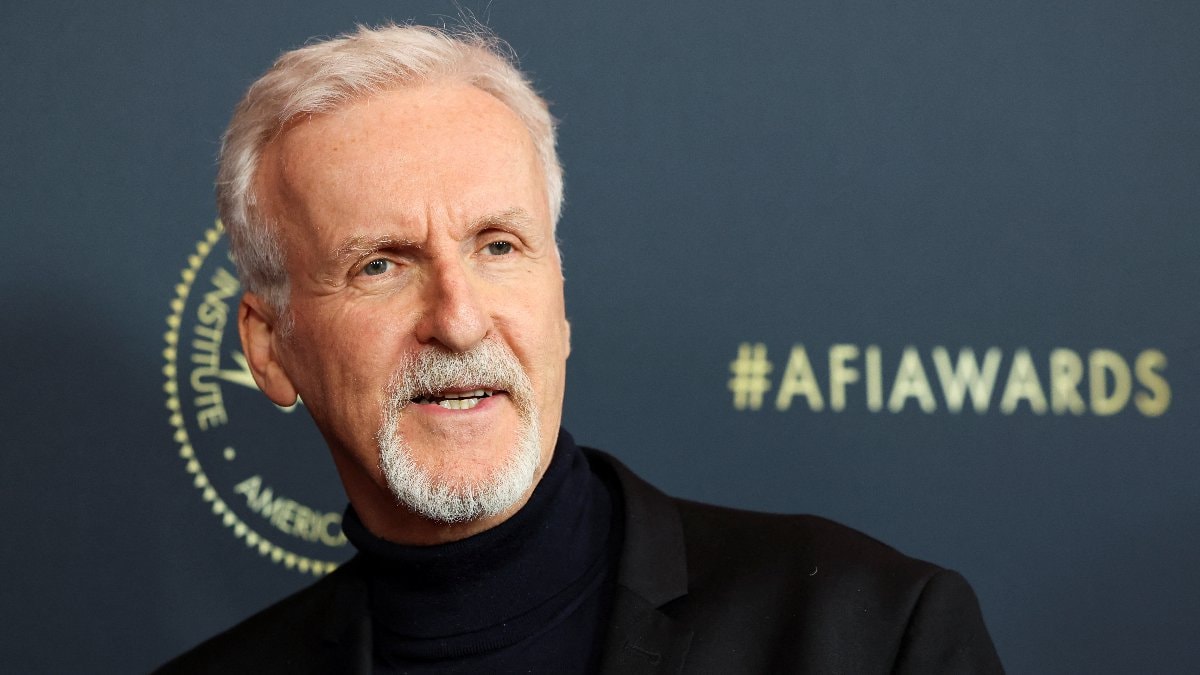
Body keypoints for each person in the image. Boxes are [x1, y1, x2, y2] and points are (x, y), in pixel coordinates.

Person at [158, 22, 1003, 674]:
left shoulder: (871, 633)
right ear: (269, 348)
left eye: (498, 246)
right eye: (380, 264)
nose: (459, 319)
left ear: (559, 300)